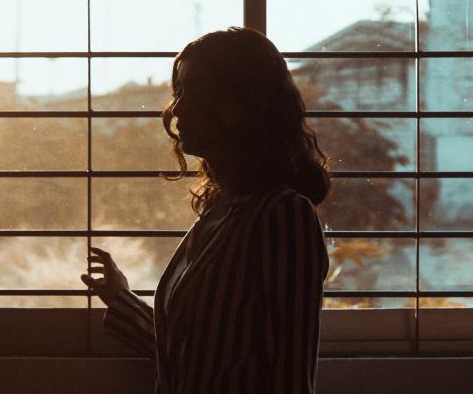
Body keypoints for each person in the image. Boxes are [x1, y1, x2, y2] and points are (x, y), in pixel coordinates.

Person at [79, 26, 332, 394]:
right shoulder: (220, 213)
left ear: (246, 103)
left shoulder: (283, 216)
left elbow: (291, 373)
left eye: (195, 91)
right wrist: (122, 300)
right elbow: (192, 359)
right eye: (179, 92)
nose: (177, 108)